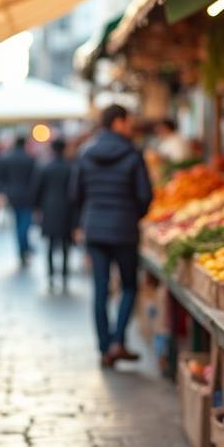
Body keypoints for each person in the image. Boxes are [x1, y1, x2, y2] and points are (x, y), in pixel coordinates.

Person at [71, 104, 152, 368]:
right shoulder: (132, 153)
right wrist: (131, 214)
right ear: (118, 122)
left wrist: (88, 215)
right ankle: (118, 340)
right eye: (128, 121)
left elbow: (75, 194)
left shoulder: (86, 152)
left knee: (100, 289)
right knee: (129, 286)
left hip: (94, 229)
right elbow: (145, 196)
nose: (131, 127)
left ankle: (105, 348)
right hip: (124, 229)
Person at [31, 138, 75, 293]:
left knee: (50, 245)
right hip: (66, 210)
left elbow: (37, 189)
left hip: (49, 209)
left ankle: (50, 276)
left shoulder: (45, 167)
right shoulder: (71, 167)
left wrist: (36, 208)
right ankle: (64, 277)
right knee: (65, 246)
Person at [0, 136, 36, 267]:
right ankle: (24, 248)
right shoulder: (30, 159)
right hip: (27, 195)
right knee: (25, 223)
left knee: (18, 223)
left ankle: (22, 249)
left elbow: (1, 178)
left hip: (12, 195)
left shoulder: (6, 158)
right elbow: (35, 179)